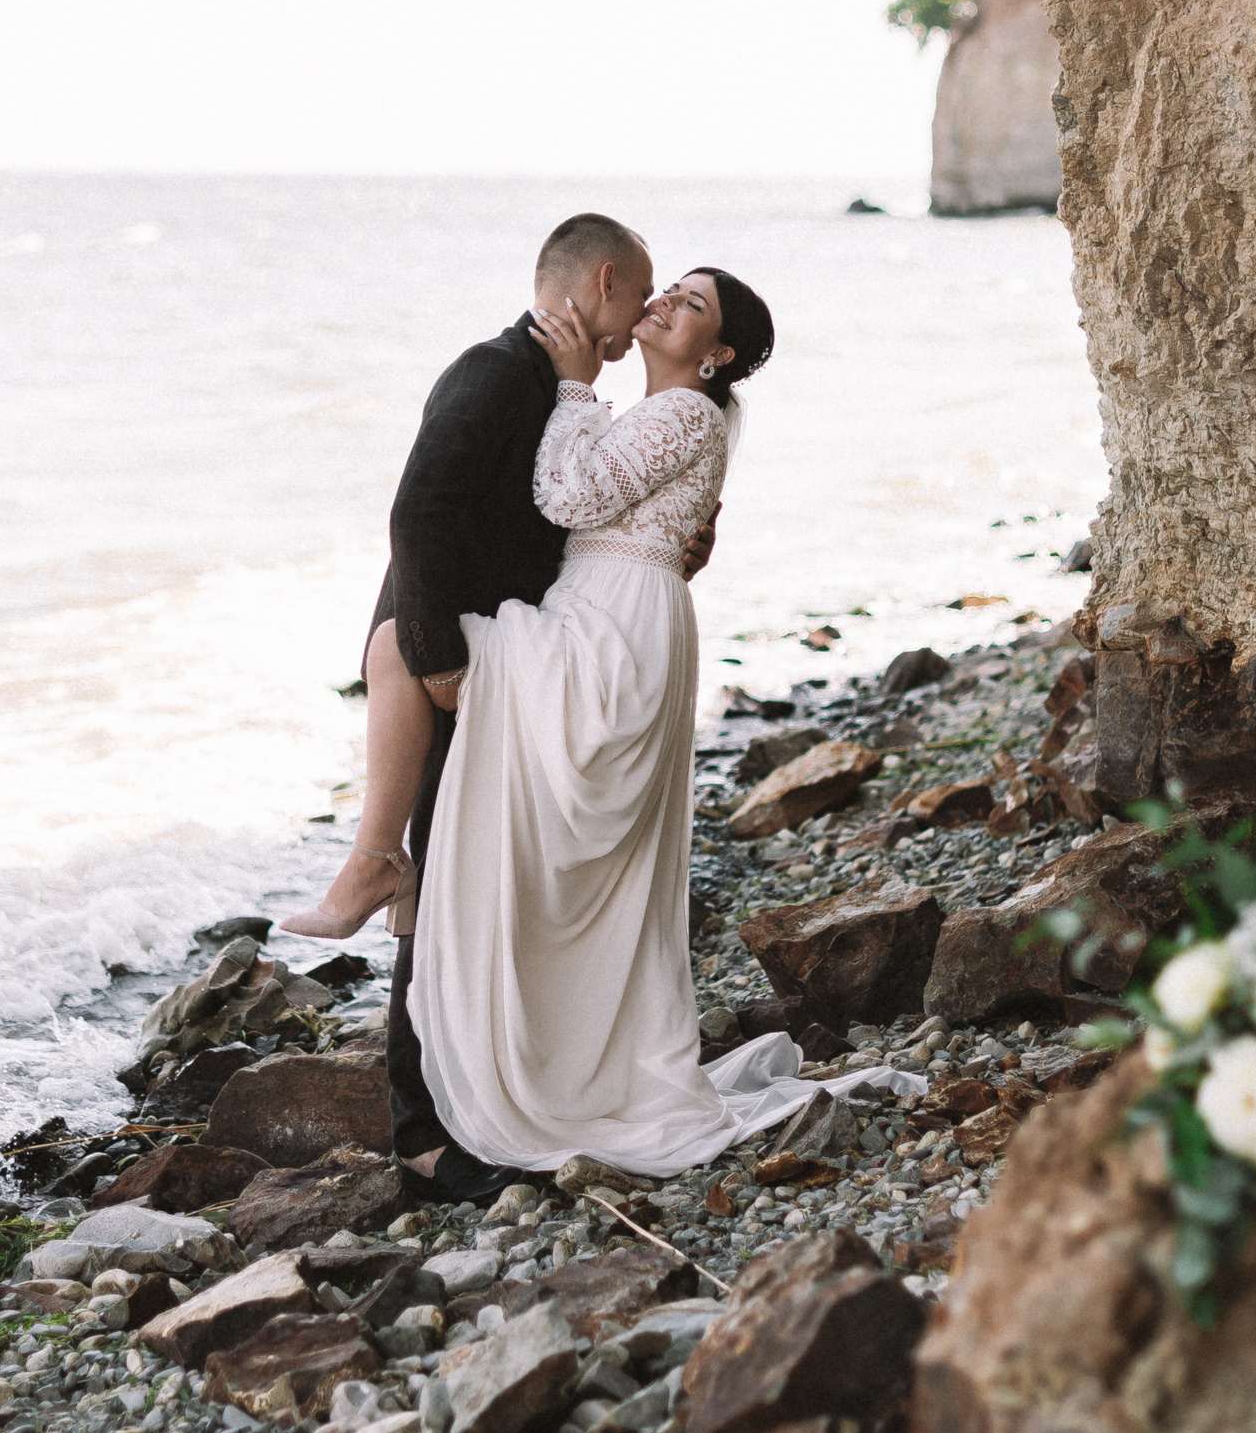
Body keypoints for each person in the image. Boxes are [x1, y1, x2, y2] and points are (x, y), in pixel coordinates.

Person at [400, 267, 924, 1176]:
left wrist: (570, 387)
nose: (667, 305)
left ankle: (379, 864)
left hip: (611, 629)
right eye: (670, 290)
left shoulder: (682, 413)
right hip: (618, 610)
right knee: (576, 858)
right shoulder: (672, 417)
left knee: (399, 653)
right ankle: (536, 1031)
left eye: (692, 306)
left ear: (716, 354)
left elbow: (566, 502)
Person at [279, 214, 702, 1201]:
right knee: (435, 891)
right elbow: (415, 520)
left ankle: (473, 1099)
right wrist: (435, 668)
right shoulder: (494, 372)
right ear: (601, 282)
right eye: (639, 292)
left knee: (462, 888)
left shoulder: (559, 386)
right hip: (455, 662)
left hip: (508, 658)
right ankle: (425, 1136)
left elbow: (576, 512)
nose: (643, 311)